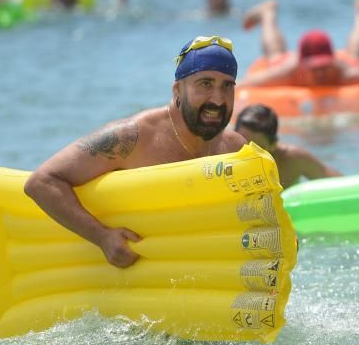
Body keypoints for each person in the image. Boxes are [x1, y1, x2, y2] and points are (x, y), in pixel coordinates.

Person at [24, 36, 247, 268]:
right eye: (205, 84)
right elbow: (41, 182)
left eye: (227, 85)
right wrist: (102, 237)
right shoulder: (131, 138)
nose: (218, 99)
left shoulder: (234, 148)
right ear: (177, 90)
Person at [235, 104, 341, 188]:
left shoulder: (292, 160)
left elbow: (337, 184)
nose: (247, 154)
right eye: (242, 144)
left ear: (273, 145)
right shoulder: (224, 156)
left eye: (257, 148)